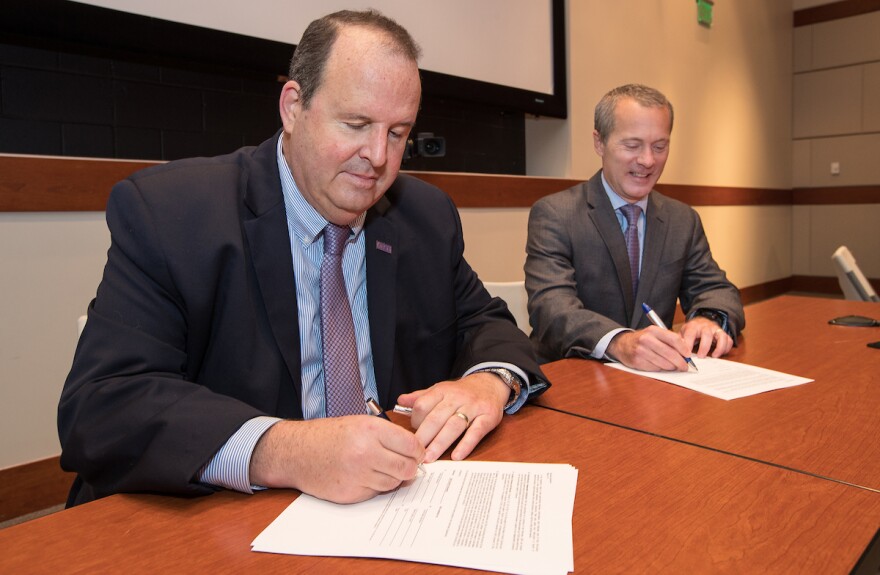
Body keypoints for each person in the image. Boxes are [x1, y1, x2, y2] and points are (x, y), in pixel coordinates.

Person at [59, 9, 548, 507]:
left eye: (398, 133)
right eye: (356, 124)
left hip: (391, 505)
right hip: (224, 516)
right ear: (293, 107)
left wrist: (490, 381)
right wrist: (288, 450)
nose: (378, 157)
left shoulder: (424, 216)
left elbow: (487, 323)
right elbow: (103, 406)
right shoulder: (174, 213)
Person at [525, 84, 744, 371]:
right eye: (632, 145)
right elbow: (552, 310)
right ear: (599, 142)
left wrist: (709, 319)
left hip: (654, 383)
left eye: (660, 146)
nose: (648, 161)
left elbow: (717, 289)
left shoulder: (682, 219)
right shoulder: (556, 213)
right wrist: (619, 342)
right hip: (573, 376)